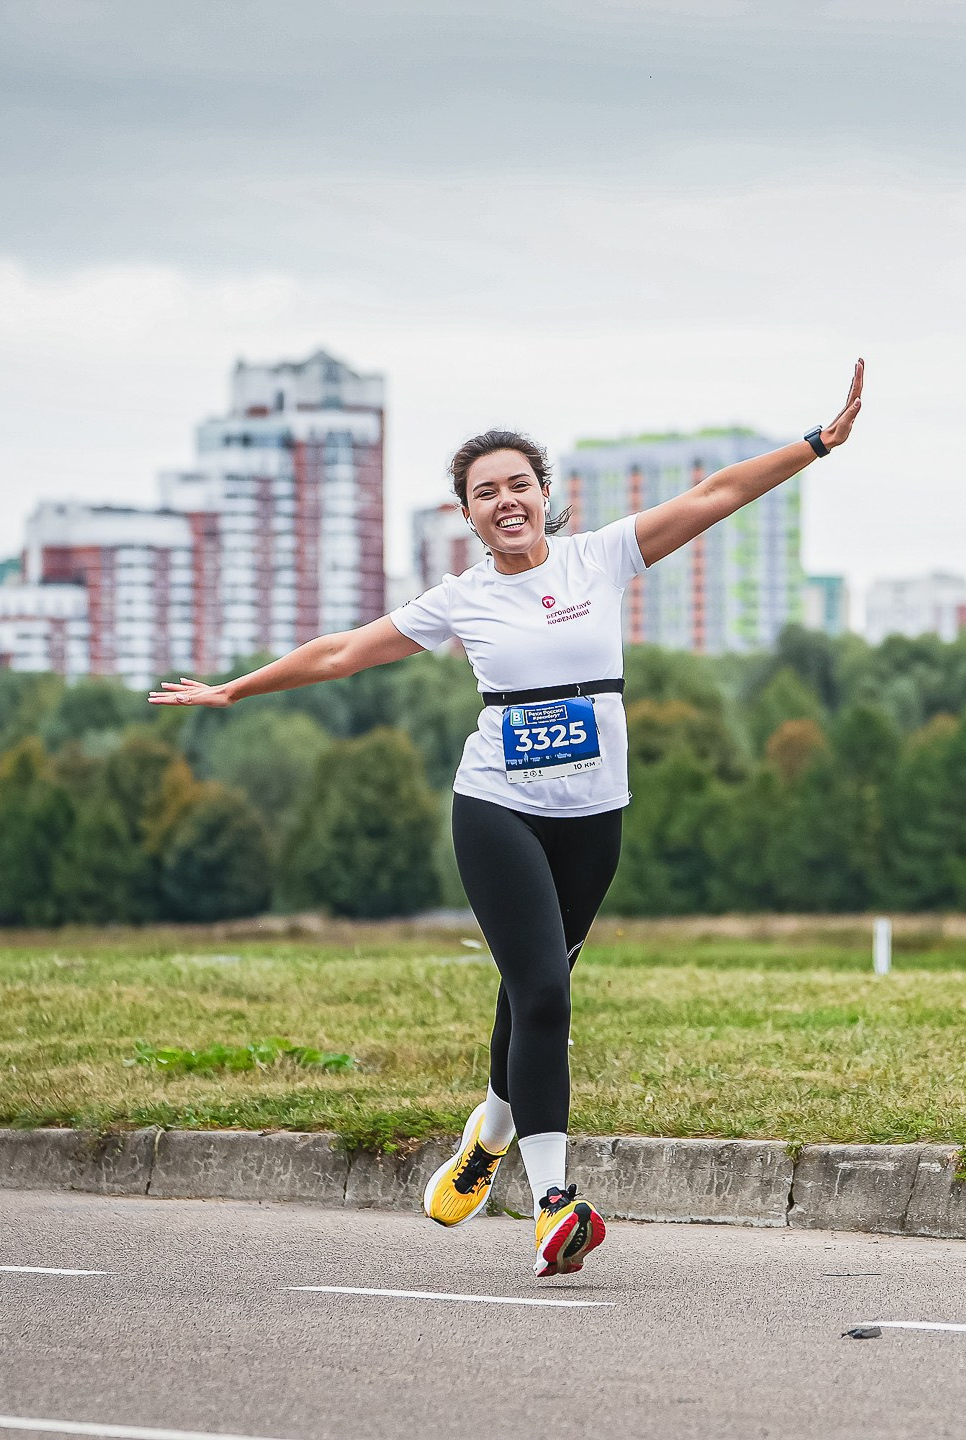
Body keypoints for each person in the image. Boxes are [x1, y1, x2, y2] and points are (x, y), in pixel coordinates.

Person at [151, 361, 864, 1278]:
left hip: (594, 815)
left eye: (518, 485)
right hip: (498, 806)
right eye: (485, 493)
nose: (505, 502)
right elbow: (339, 654)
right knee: (544, 993)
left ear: (544, 495)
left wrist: (815, 443)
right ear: (469, 515)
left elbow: (717, 491)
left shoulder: (600, 558)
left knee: (535, 987)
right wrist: (237, 690)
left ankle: (489, 1132)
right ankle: (554, 1201)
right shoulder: (460, 600)